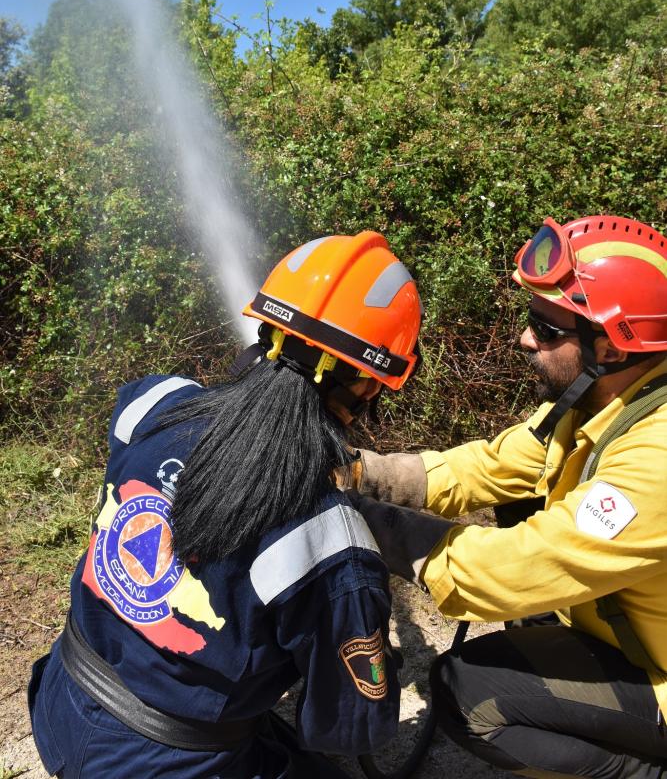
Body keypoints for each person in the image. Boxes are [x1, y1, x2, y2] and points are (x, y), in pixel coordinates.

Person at [29, 230, 423, 779]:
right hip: (162, 766)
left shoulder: (155, 404)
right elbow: (350, 722)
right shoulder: (329, 539)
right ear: (369, 387)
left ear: (266, 331)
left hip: (61, 702)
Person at [344, 215, 667, 778]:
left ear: (611, 349)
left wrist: (371, 526)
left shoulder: (655, 460)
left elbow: (518, 568)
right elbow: (491, 466)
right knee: (522, 501)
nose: (524, 339)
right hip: (630, 634)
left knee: (468, 694)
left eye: (546, 329)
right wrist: (357, 473)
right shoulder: (595, 403)